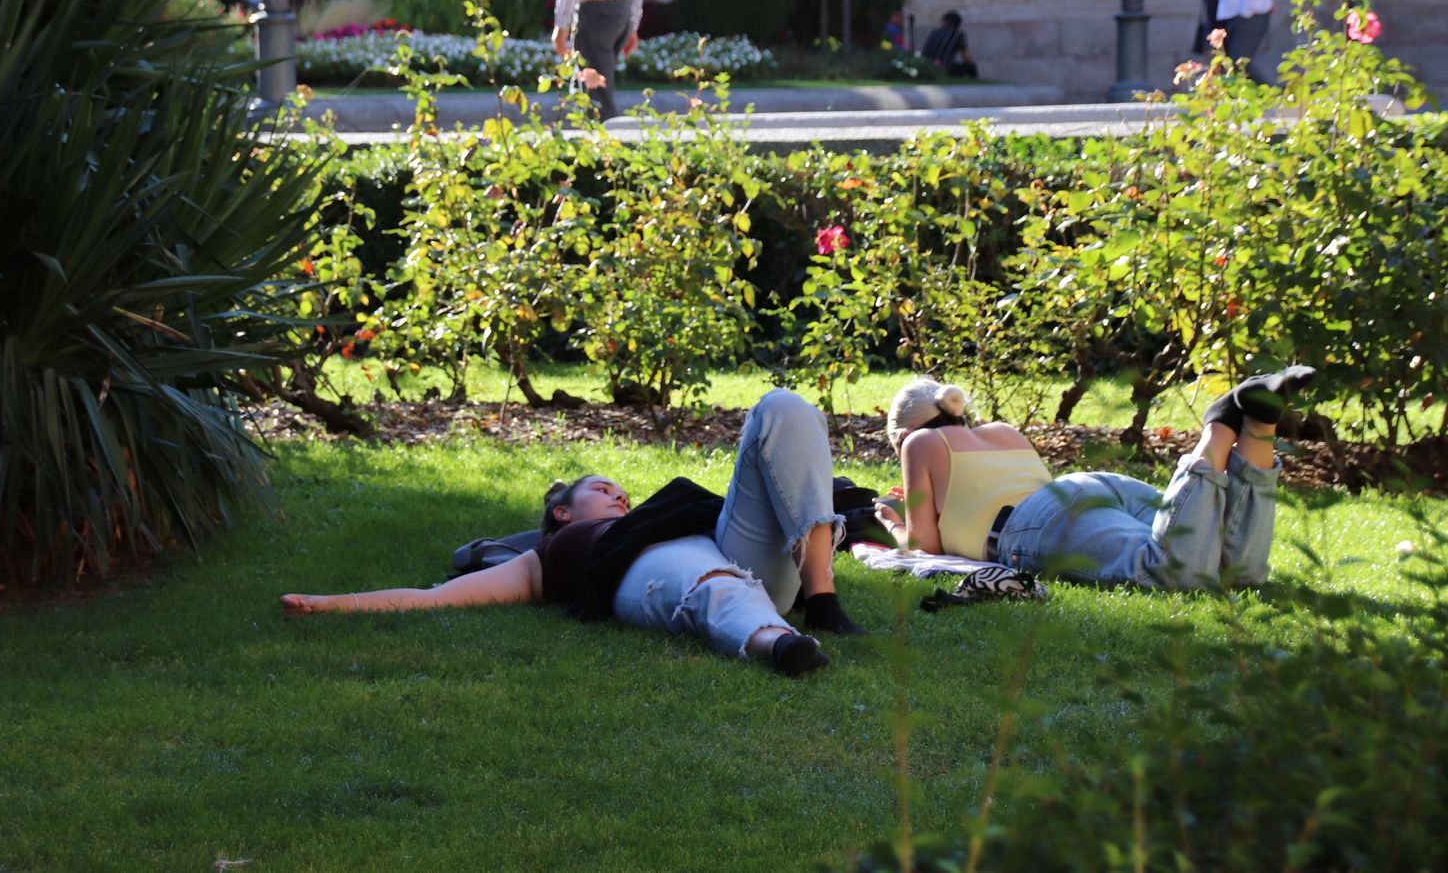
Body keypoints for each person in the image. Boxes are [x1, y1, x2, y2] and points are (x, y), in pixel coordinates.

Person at [281, 390, 864, 676]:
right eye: (602, 489)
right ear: (562, 512)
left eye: (621, 493)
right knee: (708, 582)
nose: (619, 496)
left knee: (784, 405)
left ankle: (821, 596)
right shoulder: (547, 554)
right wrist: (332, 604)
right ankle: (778, 645)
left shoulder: (659, 514)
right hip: (663, 570)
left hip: (742, 550)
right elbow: (435, 599)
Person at [874, 367, 1316, 588]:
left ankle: (1219, 428)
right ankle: (1259, 427)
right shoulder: (1001, 431)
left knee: (1170, 570)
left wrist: (895, 521)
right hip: (1086, 489)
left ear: (905, 433)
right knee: (1227, 564)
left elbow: (925, 550)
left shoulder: (920, 444)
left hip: (1027, 524)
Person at [920, 11, 978, 78]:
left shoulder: (935, 32)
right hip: (944, 68)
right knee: (971, 67)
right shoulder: (957, 34)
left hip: (925, 67)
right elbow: (966, 57)